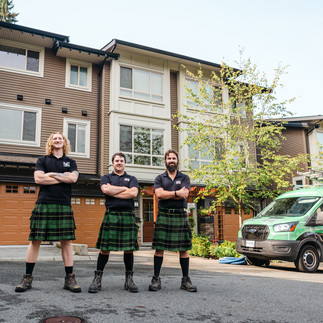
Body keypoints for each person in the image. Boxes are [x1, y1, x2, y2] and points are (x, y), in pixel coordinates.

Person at [15, 132, 81, 293]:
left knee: (66, 242)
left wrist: (50, 175)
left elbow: (73, 179)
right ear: (51, 142)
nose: (57, 140)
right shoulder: (42, 160)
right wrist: (61, 176)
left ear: (64, 142)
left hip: (63, 205)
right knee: (35, 240)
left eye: (60, 138)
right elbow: (38, 179)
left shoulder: (70, 162)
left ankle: (70, 278)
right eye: (55, 138)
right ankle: (27, 278)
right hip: (44, 203)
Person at [88, 152, 139, 293]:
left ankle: (129, 280)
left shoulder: (132, 178)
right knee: (105, 248)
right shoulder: (106, 177)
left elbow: (133, 193)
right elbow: (105, 189)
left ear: (124, 163)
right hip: (111, 215)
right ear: (113, 163)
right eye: (117, 160)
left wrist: (114, 191)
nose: (119, 162)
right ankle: (97, 279)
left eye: (121, 160)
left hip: (127, 216)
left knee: (129, 248)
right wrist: (124, 189)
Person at [149, 149, 197, 292]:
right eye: (169, 158)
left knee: (184, 249)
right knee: (159, 249)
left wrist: (168, 194)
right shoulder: (159, 178)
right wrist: (176, 193)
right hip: (164, 214)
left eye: (174, 158)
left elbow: (185, 195)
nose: (171, 160)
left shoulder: (184, 178)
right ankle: (156, 279)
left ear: (177, 161)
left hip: (180, 215)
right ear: (165, 161)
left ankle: (185, 280)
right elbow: (159, 194)